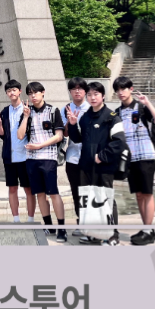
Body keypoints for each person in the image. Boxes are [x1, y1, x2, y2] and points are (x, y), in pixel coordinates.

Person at [66, 81, 127, 246]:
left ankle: (112, 236)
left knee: (105, 200)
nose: (92, 98)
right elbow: (78, 139)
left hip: (104, 166)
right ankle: (93, 234)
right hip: (85, 165)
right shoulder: (85, 117)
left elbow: (120, 141)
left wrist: (102, 156)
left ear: (103, 96)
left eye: (96, 94)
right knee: (88, 200)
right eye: (90, 95)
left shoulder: (111, 117)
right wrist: (73, 125)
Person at [112, 76, 155, 246]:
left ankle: (148, 230)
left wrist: (148, 103)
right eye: (118, 90)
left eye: (123, 89)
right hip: (130, 159)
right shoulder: (117, 113)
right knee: (139, 194)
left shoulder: (142, 107)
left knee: (147, 193)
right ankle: (146, 229)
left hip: (145, 156)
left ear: (131, 89)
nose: (121, 92)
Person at [16, 81, 67, 242]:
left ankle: (61, 228)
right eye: (30, 94)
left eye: (35, 92)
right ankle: (49, 225)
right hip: (31, 159)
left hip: (48, 158)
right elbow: (20, 135)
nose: (33, 96)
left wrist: (39, 145)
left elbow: (59, 136)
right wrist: (25, 117)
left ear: (43, 92)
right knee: (39, 193)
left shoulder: (53, 111)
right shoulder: (27, 112)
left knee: (53, 193)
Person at [0, 79, 36, 223]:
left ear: (19, 91)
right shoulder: (5, 111)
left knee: (28, 189)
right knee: (12, 188)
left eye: (14, 90)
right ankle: (16, 219)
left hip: (26, 156)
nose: (11, 93)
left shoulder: (28, 109)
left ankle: (30, 219)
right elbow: (2, 135)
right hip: (9, 156)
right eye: (8, 91)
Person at [61, 77, 90, 237]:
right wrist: (69, 122)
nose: (77, 91)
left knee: (90, 192)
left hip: (91, 157)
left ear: (85, 91)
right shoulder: (66, 109)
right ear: (70, 91)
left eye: (80, 88)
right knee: (76, 192)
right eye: (74, 88)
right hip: (72, 157)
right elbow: (64, 134)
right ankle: (81, 222)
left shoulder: (92, 108)